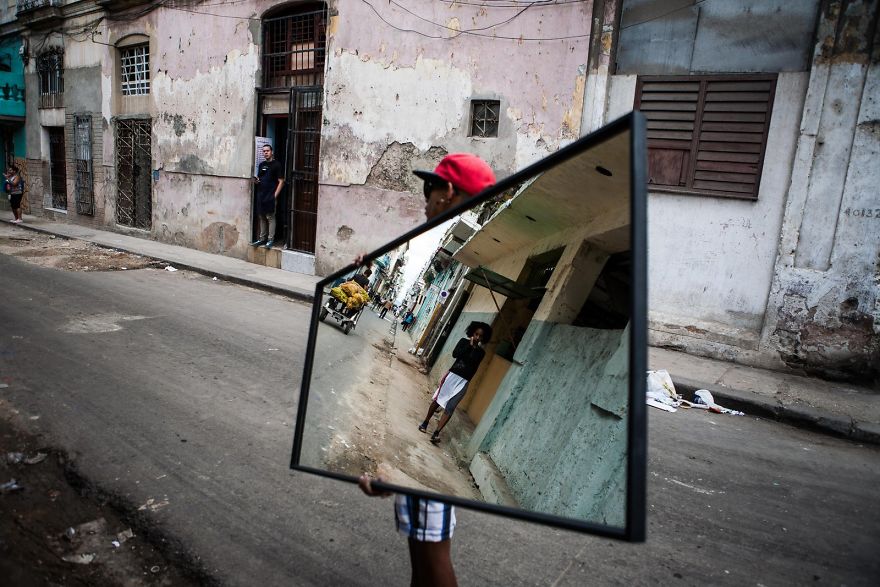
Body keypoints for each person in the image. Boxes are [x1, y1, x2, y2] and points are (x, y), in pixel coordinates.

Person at [359, 153, 495, 587]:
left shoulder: (446, 228)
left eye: (428, 193)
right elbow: (459, 352)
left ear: (448, 193)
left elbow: (469, 360)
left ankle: (433, 427)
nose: (425, 204)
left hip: (460, 379)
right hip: (452, 375)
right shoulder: (464, 342)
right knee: (423, 554)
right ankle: (427, 424)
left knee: (432, 556)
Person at [419, 321, 492, 444]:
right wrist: (469, 346)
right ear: (472, 333)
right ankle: (425, 422)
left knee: (451, 407)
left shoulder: (481, 352)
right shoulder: (463, 342)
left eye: (480, 336)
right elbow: (455, 354)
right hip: (452, 376)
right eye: (476, 334)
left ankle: (436, 433)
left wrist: (473, 348)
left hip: (463, 382)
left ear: (483, 338)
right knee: (438, 400)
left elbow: (472, 363)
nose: (477, 337)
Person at [250, 145, 285, 249]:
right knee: (261, 216)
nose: (266, 153)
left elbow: (281, 181)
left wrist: (274, 196)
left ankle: (270, 240)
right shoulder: (262, 165)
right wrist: (256, 181)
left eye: (267, 151)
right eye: (264, 151)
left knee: (270, 217)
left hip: (270, 195)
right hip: (261, 195)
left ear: (272, 152)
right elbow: (260, 179)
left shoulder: (277, 165)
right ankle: (261, 239)